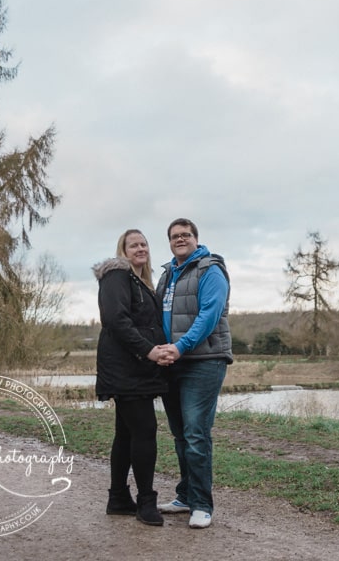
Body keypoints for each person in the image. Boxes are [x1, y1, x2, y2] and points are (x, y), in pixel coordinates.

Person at [154, 218, 232, 529]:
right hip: (173, 363)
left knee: (196, 434)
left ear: (196, 239)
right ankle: (185, 496)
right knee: (180, 434)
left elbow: (209, 315)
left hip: (204, 361)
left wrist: (181, 346)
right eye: (175, 236)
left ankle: (201, 505)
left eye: (186, 234)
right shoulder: (167, 275)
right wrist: (160, 351)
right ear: (170, 242)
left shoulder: (210, 270)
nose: (180, 239)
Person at [92, 229, 169, 527]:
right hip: (126, 369)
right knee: (145, 430)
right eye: (133, 245)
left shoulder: (141, 282)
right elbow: (116, 320)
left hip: (136, 369)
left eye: (144, 244)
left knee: (126, 433)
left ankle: (118, 499)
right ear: (123, 251)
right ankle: (146, 502)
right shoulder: (117, 276)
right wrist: (149, 351)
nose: (140, 248)